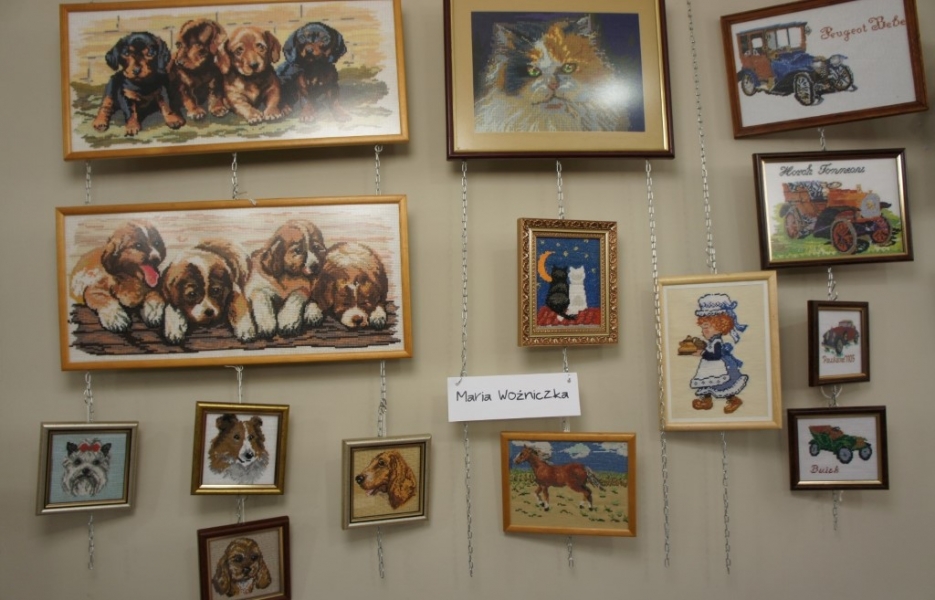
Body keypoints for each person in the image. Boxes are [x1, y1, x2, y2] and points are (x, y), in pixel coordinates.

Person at [690, 294, 748, 414]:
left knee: (723, 384)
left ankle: (733, 400)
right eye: (703, 328)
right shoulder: (712, 341)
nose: (704, 331)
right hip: (709, 367)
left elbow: (715, 356)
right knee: (707, 382)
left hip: (719, 366)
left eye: (707, 327)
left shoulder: (717, 342)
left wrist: (702, 353)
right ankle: (706, 401)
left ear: (720, 326)